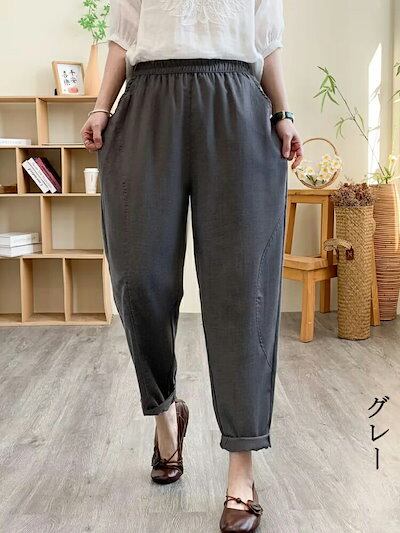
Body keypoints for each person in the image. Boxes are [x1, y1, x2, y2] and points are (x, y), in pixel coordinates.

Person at [81, 1, 303, 531]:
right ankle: (166, 416)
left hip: (236, 102)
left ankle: (242, 470)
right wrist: (100, 107)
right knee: (138, 279)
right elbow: (123, 35)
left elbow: (266, 39)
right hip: (148, 102)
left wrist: (283, 113)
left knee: (243, 288)